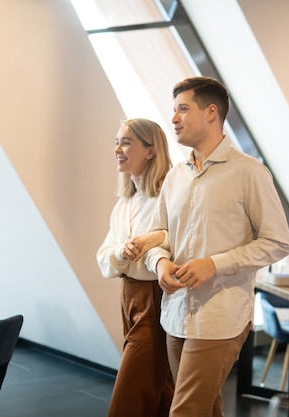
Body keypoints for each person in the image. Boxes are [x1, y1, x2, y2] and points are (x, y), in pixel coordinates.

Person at [144, 76, 289, 417]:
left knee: (185, 411)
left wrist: (215, 263)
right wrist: (160, 263)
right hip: (175, 312)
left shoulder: (250, 172)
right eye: (174, 110)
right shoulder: (175, 175)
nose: (174, 118)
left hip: (220, 317)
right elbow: (158, 233)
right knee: (206, 409)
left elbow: (278, 242)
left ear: (212, 112)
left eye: (183, 109)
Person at [96, 118, 174, 417]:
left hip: (154, 297)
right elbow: (104, 258)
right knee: (157, 388)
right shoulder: (125, 204)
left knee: (129, 395)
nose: (117, 149)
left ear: (150, 151)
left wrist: (150, 240)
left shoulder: (168, 196)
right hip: (129, 296)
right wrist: (121, 251)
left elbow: (180, 241)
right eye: (117, 142)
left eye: (126, 142)